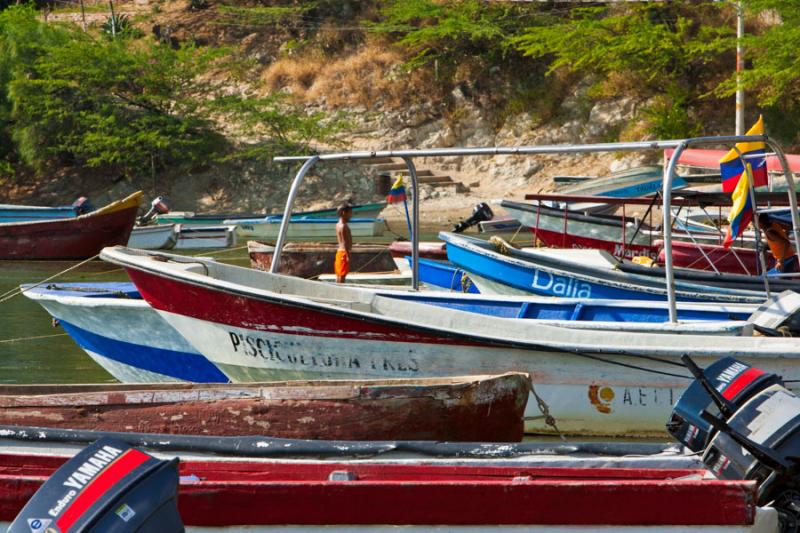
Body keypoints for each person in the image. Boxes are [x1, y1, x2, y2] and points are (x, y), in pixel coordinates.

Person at [335, 202, 353, 283]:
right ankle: (340, 289)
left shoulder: (338, 224)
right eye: (350, 213)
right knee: (342, 274)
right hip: (343, 252)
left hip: (340, 252)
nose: (351, 215)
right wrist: (348, 255)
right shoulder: (343, 226)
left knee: (339, 273)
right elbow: (345, 242)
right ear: (343, 213)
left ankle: (337, 288)